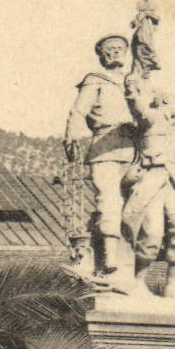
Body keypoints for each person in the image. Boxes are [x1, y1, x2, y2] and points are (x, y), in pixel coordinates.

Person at [121, 0, 175, 299]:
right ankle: (137, 282)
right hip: (151, 178)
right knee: (150, 232)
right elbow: (136, 97)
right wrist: (144, 33)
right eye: (172, 102)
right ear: (163, 103)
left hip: (172, 181)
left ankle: (172, 285)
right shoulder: (151, 119)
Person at [63, 34, 137, 285]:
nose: (115, 52)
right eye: (109, 49)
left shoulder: (133, 81)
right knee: (109, 200)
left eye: (119, 48)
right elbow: (78, 111)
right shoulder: (95, 80)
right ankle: (109, 260)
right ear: (101, 55)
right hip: (104, 148)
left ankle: (135, 263)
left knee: (139, 204)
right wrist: (71, 137)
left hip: (134, 149)